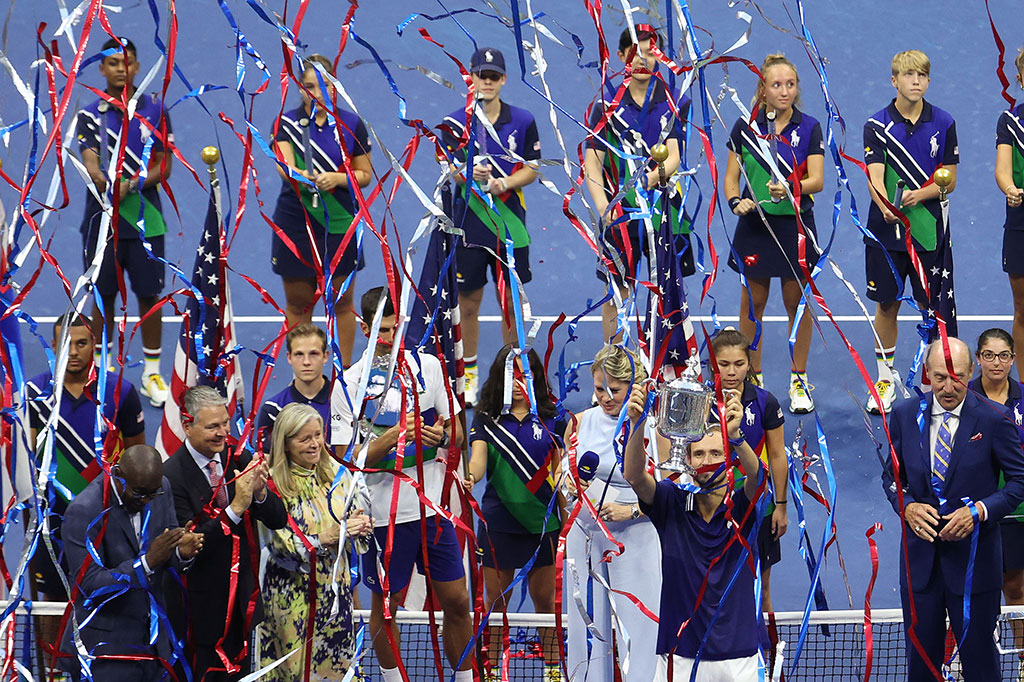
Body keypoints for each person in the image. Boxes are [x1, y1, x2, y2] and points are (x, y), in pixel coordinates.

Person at [330, 286, 472, 682]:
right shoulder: (348, 384)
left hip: (434, 512)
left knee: (458, 603)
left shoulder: (428, 368)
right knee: (387, 608)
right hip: (383, 520)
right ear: (362, 327)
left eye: (395, 329)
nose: (390, 340)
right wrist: (393, 436)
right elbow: (345, 460)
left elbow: (458, 431)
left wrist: (439, 438)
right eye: (381, 332)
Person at [881, 337, 1024, 681]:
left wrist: (979, 511)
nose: (948, 387)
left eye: (957, 377)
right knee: (922, 667)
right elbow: (891, 479)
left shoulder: (993, 419)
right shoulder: (902, 416)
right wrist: (908, 506)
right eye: (940, 377)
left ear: (971, 371)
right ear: (927, 374)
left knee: (980, 667)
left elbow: (1019, 481)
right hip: (920, 567)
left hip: (976, 567)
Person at [624, 385, 767, 681]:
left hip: (738, 656)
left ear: (729, 459)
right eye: (698, 453)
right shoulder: (670, 502)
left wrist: (737, 436)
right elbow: (635, 476)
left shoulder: (742, 508)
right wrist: (636, 424)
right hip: (680, 655)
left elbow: (757, 476)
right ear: (688, 461)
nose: (706, 460)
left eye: (716, 452)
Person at [437, 47, 541, 405]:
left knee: (511, 302)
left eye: (494, 76)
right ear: (471, 78)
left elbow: (533, 167)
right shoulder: (455, 123)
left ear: (503, 80)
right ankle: (468, 376)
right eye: (481, 75)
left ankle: (512, 375)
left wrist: (503, 183)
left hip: (510, 225)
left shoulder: (523, 120)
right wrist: (468, 174)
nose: (487, 82)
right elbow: (447, 168)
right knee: (468, 302)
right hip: (468, 223)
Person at [163, 386, 288, 682]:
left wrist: (258, 495)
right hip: (199, 613)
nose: (222, 433)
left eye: (225, 423)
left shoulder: (237, 458)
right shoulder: (171, 477)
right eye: (212, 427)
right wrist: (235, 508)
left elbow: (278, 518)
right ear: (187, 426)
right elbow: (190, 549)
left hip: (243, 602)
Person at [723, 54, 825, 413]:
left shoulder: (809, 127)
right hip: (754, 227)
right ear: (762, 88)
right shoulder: (744, 128)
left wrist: (790, 186)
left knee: (796, 306)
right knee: (753, 307)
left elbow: (818, 180)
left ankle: (799, 381)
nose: (785, 91)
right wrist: (737, 201)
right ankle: (753, 380)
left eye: (791, 85)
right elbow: (731, 178)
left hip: (794, 227)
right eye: (777, 85)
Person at [76, 36, 173, 407]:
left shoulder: (156, 110)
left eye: (127, 62)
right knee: (102, 296)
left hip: (146, 221)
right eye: (113, 62)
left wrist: (133, 184)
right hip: (101, 221)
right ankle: (100, 371)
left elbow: (164, 165)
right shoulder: (90, 114)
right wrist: (105, 181)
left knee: (149, 294)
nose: (121, 68)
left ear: (135, 67)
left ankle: (151, 372)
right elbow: (89, 161)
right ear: (102, 69)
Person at [26, 312, 146, 609]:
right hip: (51, 521)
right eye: (66, 343)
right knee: (52, 603)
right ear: (53, 345)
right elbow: (23, 463)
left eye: (82, 343)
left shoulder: (122, 393)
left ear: (95, 345)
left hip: (107, 518)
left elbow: (138, 459)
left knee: (112, 595)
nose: (75, 351)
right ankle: (52, 658)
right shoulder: (33, 395)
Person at [583, 26, 694, 344]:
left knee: (667, 288)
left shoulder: (674, 102)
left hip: (663, 208)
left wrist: (648, 180)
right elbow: (593, 162)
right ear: (620, 57)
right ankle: (613, 366)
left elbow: (673, 156)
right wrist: (603, 205)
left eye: (650, 53)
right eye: (634, 53)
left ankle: (666, 367)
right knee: (617, 290)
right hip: (620, 213)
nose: (643, 60)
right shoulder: (606, 105)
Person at [863, 50, 958, 415]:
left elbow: (949, 176)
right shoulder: (876, 125)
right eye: (908, 75)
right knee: (886, 304)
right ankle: (885, 380)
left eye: (921, 75)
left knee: (929, 307)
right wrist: (888, 206)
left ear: (928, 81)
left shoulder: (944, 122)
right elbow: (874, 176)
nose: (915, 81)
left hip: (928, 230)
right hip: (886, 233)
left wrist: (921, 194)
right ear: (894, 81)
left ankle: (932, 381)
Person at [463, 345, 564, 681]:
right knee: (495, 603)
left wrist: (570, 497)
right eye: (513, 375)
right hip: (499, 524)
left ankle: (552, 669)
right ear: (501, 379)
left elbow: (561, 469)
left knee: (544, 602)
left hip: (542, 523)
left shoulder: (553, 417)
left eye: (527, 374)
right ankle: (490, 671)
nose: (521, 381)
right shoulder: (487, 420)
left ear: (536, 378)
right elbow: (477, 459)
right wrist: (471, 476)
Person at [60, 445, 203, 681]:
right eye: (139, 493)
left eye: (152, 494)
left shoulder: (161, 489)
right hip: (106, 653)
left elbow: (166, 553)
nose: (146, 500)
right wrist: (145, 563)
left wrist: (181, 553)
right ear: (118, 476)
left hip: (154, 646)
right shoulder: (84, 511)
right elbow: (89, 584)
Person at [564, 345, 660, 682]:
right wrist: (571, 488)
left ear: (632, 387)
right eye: (599, 388)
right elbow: (564, 480)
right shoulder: (579, 422)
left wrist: (631, 510)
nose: (606, 397)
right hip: (584, 537)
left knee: (640, 627)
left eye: (614, 390)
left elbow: (668, 492)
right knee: (584, 624)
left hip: (636, 537)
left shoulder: (651, 427)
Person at [271, 53, 372, 366]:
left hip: (340, 222)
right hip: (296, 223)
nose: (313, 92)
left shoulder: (352, 124)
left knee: (341, 304)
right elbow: (285, 168)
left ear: (333, 88)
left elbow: (364, 175)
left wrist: (337, 178)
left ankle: (343, 374)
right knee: (300, 304)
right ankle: (304, 372)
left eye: (320, 86)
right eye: (308, 86)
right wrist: (306, 175)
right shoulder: (285, 124)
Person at [260, 403, 372, 681]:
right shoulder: (270, 485)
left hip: (336, 598)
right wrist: (330, 537)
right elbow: (282, 548)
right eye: (304, 438)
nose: (315, 444)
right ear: (285, 444)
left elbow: (359, 518)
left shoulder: (337, 473)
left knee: (337, 671)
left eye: (318, 435)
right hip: (291, 603)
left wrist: (361, 527)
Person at [710, 329, 788, 613]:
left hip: (758, 507)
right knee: (713, 587)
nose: (732, 372)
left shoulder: (765, 402)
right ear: (712, 364)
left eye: (739, 364)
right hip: (713, 507)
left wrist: (781, 505)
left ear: (749, 364)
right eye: (724, 364)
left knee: (761, 589)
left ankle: (766, 656)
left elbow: (778, 455)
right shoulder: (700, 401)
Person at [966, 329, 1024, 637]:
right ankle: (964, 654)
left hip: (1014, 510)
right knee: (967, 586)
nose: (996, 363)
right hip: (971, 508)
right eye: (988, 355)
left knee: (1014, 586)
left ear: (1013, 360)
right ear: (977, 360)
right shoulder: (964, 398)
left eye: (1003, 356)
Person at [994, 48, 1024, 381]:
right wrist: (1010, 189)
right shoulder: (1010, 122)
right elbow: (1003, 170)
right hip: (1020, 224)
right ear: (1020, 79)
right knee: (1023, 309)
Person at [255, 323, 332, 451]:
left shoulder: (345, 402)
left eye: (313, 354)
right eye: (299, 354)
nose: (306, 362)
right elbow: (267, 458)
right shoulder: (273, 410)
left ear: (325, 356)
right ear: (289, 357)